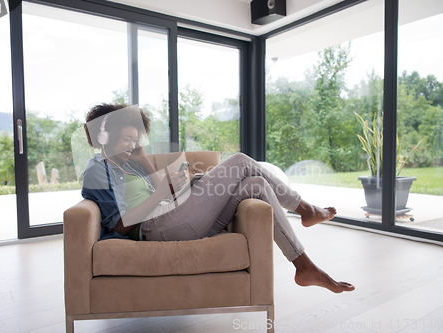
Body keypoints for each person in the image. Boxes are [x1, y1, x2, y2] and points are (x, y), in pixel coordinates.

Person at [82, 103, 355, 294]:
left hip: (176, 215)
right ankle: (305, 209)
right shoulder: (97, 171)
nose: (133, 145)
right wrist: (164, 193)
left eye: (135, 139)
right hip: (158, 228)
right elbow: (119, 225)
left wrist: (148, 165)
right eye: (126, 139)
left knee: (256, 184)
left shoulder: (128, 163)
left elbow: (160, 193)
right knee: (239, 161)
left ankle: (304, 266)